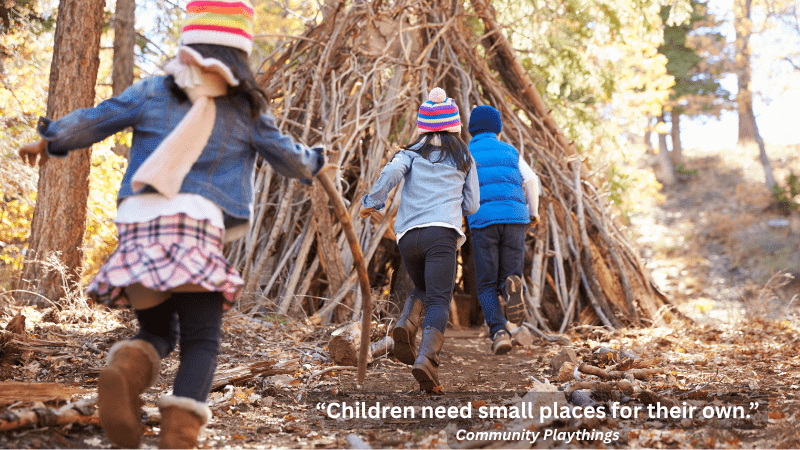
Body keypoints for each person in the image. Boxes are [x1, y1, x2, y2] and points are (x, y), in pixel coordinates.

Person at [18, 1, 325, 447]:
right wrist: (317, 162)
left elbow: (99, 118)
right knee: (201, 341)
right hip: (196, 230)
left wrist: (50, 141)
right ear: (241, 53)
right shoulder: (247, 111)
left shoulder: (152, 91)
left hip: (140, 228)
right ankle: (179, 435)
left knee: (156, 332)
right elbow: (291, 161)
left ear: (187, 45)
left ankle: (123, 372)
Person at [360, 87, 479, 393]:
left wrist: (373, 202)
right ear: (454, 126)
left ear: (423, 126)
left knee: (424, 288)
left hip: (407, 236)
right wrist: (455, 207)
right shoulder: (464, 156)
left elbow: (390, 174)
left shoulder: (409, 153)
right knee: (439, 297)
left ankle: (406, 323)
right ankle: (427, 359)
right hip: (441, 234)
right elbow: (473, 205)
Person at [467, 105, 541, 356]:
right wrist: (533, 212)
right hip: (515, 219)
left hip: (483, 220)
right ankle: (511, 289)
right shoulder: (510, 151)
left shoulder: (467, 153)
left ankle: (499, 332)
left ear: (471, 130)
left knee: (486, 284)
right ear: (498, 130)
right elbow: (531, 179)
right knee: (509, 275)